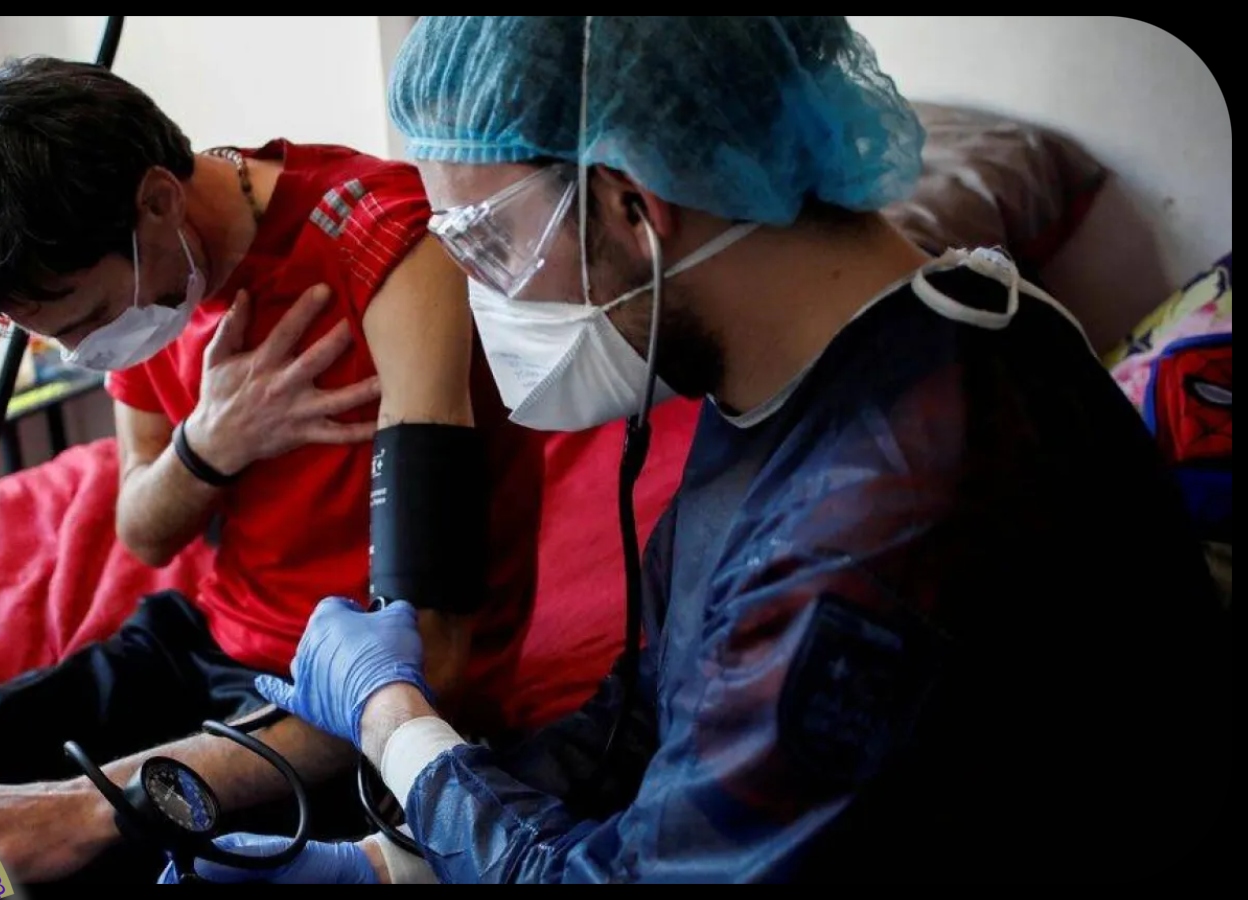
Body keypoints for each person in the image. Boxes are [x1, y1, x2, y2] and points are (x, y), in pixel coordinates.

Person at [188, 16, 1231, 884]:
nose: (481, 291)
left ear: (633, 205)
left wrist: (396, 722)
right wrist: (395, 860)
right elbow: (649, 717)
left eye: (490, 241)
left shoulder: (886, 520)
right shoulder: (801, 362)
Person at [0, 55, 546, 885]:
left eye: (89, 317)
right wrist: (209, 443)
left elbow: (431, 664)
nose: (86, 350)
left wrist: (95, 806)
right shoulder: (142, 266)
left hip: (358, 697)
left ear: (159, 201)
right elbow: (143, 530)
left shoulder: (388, 248)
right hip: (204, 645)